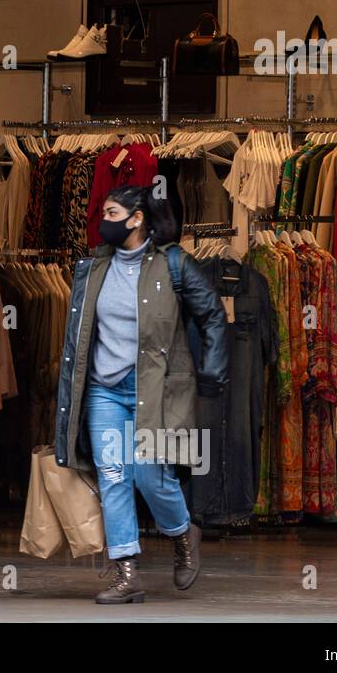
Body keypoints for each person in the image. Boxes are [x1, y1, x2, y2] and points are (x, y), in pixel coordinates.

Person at [54, 185, 228, 604]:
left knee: (151, 476)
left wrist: (212, 372)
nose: (104, 221)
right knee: (114, 476)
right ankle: (126, 573)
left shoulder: (174, 264)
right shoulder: (94, 268)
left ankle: (183, 533)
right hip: (104, 391)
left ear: (137, 219)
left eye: (112, 213)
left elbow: (212, 315)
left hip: (158, 390)